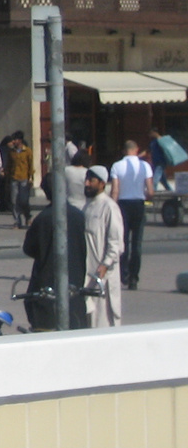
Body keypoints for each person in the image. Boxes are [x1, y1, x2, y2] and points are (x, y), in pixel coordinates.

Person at [22, 199, 88, 330]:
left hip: (45, 292)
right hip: (76, 291)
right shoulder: (79, 216)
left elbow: (29, 248)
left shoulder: (43, 217)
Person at [82, 165, 124, 327]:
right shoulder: (86, 207)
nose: (87, 184)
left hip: (103, 276)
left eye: (91, 181)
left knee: (103, 321)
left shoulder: (110, 207)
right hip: (87, 275)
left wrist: (105, 265)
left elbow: (116, 243)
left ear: (101, 183)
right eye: (86, 180)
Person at [110, 139, 153, 291]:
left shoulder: (117, 166)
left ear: (124, 151)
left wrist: (113, 206)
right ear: (136, 150)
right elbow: (151, 191)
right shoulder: (145, 166)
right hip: (138, 205)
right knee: (137, 243)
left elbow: (115, 190)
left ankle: (124, 274)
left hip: (123, 205)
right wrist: (144, 197)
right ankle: (134, 278)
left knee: (123, 241)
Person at [5, 133, 34, 230]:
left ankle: (28, 216)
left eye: (15, 139)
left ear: (20, 140)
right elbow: (9, 165)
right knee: (14, 201)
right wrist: (6, 176)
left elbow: (30, 165)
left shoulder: (27, 151)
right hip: (14, 179)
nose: (13, 142)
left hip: (24, 179)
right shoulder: (11, 152)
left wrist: (31, 177)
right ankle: (17, 221)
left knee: (23, 200)